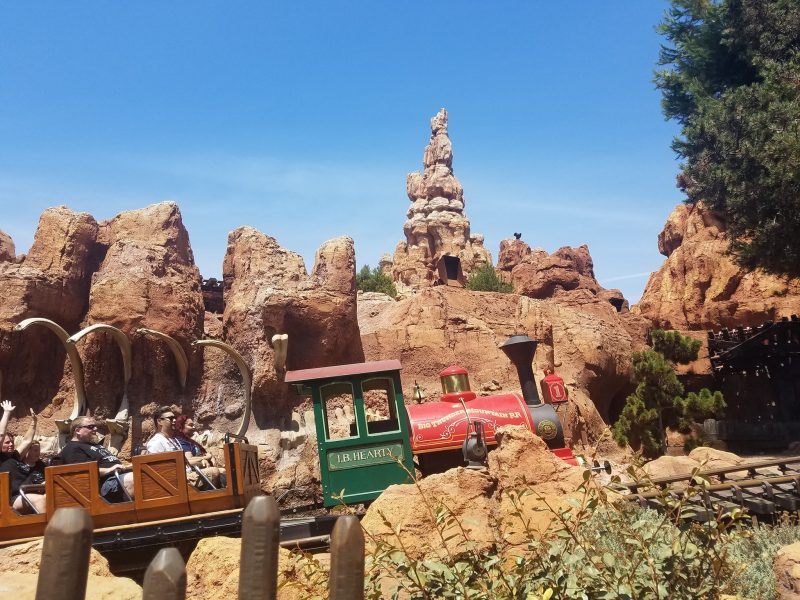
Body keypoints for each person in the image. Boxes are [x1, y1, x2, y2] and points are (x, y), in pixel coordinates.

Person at [59, 416, 134, 502]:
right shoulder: (72, 448)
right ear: (78, 431)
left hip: (118, 477)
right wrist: (110, 469)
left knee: (143, 474)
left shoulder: (95, 445)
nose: (95, 429)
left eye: (95, 426)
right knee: (135, 478)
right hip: (102, 486)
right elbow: (82, 473)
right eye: (90, 427)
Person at [147, 407, 221, 488]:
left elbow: (186, 461)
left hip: (186, 475)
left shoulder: (173, 440)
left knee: (222, 474)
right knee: (214, 472)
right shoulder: (156, 442)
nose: (174, 420)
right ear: (159, 421)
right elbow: (157, 471)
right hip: (176, 482)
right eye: (171, 418)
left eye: (174, 418)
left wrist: (202, 460)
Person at [0, 401, 46, 513]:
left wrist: (34, 422)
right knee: (41, 500)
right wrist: (6, 413)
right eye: (7, 443)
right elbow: (0, 434)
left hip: (26, 491)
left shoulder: (14, 456)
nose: (11, 444)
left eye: (12, 442)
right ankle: (48, 530)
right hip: (11, 498)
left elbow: (27, 441)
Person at [174, 414, 226, 487]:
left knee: (224, 471)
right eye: (190, 425)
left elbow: (205, 453)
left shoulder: (190, 441)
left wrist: (210, 457)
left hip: (203, 466)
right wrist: (206, 458)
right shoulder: (182, 442)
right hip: (194, 470)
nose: (194, 427)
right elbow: (189, 460)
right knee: (219, 472)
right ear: (181, 426)